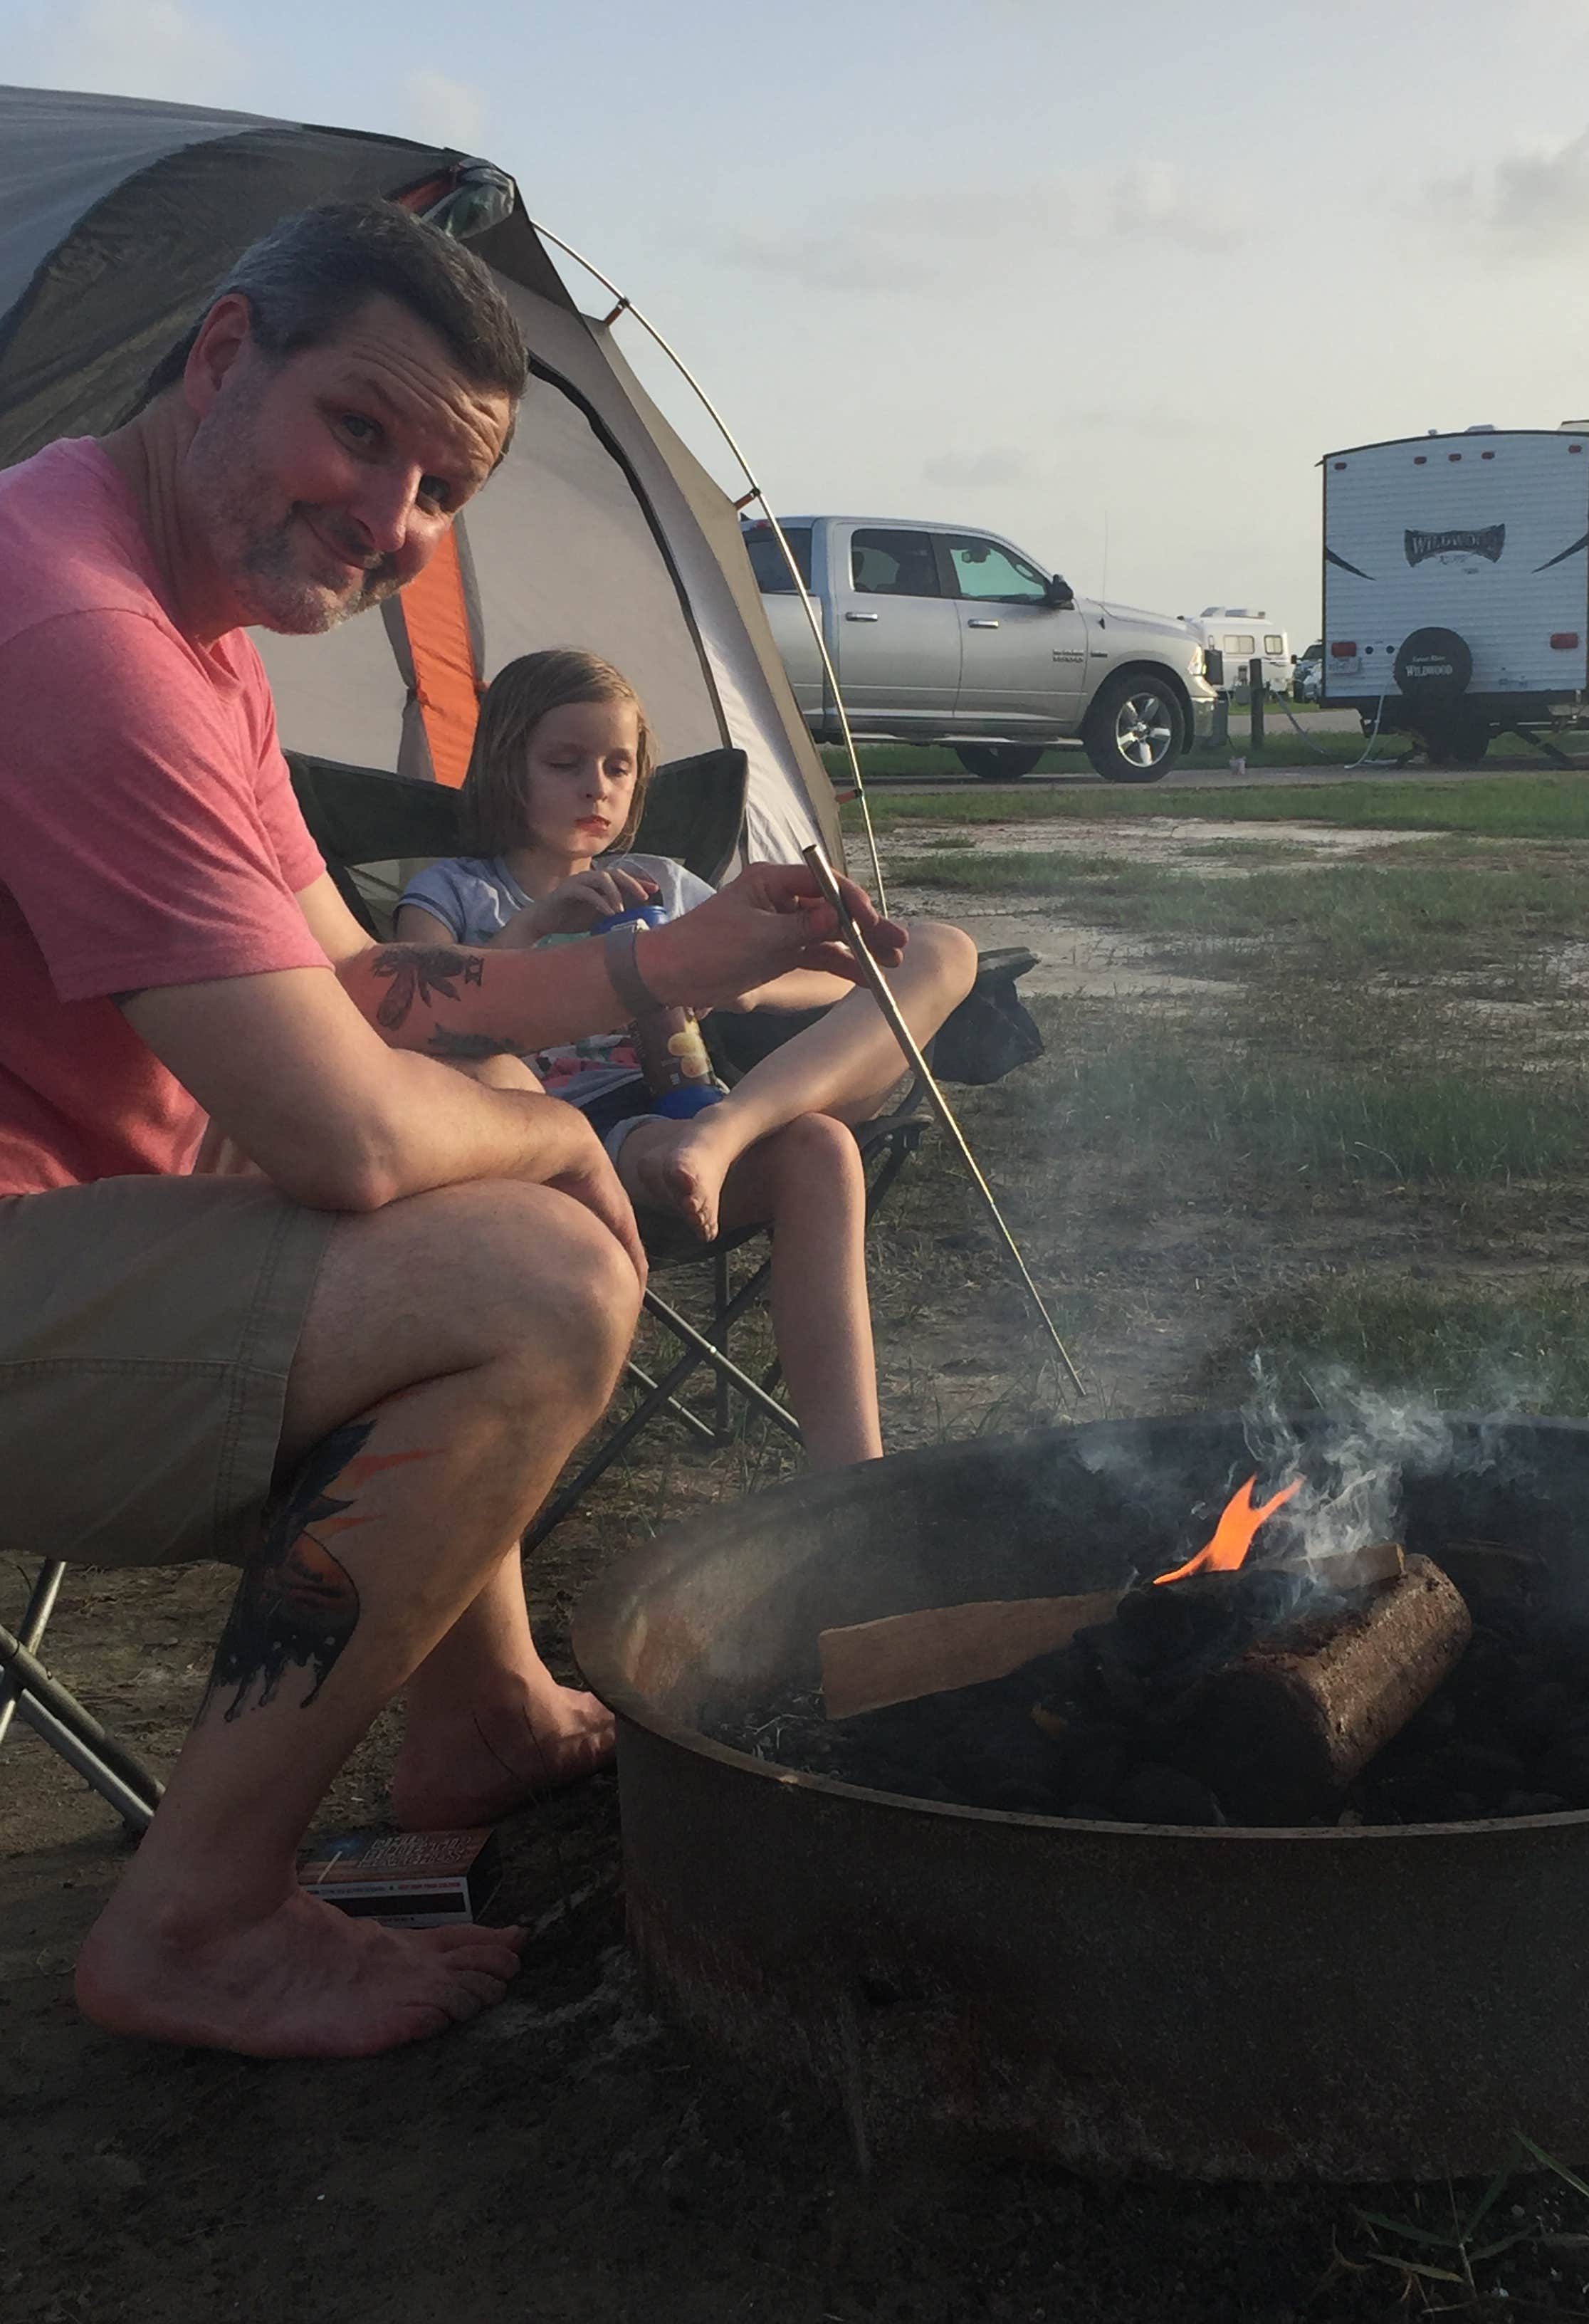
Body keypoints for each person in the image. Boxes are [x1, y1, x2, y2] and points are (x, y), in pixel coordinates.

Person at [0, 199, 903, 2061]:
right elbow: (343, 1131)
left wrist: (678, 961)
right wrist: (564, 1151)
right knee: (532, 1275)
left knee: (484, 1123)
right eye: (360, 430)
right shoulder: (76, 627)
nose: (391, 517)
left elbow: (371, 992)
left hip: (78, 1221)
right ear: (225, 355)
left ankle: (479, 1713)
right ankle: (197, 1925)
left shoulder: (187, 618)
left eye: (439, 491)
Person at [395, 649, 977, 1470]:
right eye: (565, 764)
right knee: (807, 1144)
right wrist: (533, 930)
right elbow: (412, 1023)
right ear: (505, 766)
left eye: (618, 766)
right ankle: (719, 1137)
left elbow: (822, 978)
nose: (596, 788)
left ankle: (854, 1486)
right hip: (568, 1141)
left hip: (704, 1111)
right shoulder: (455, 893)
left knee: (938, 957)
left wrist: (743, 984)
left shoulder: (661, 884)